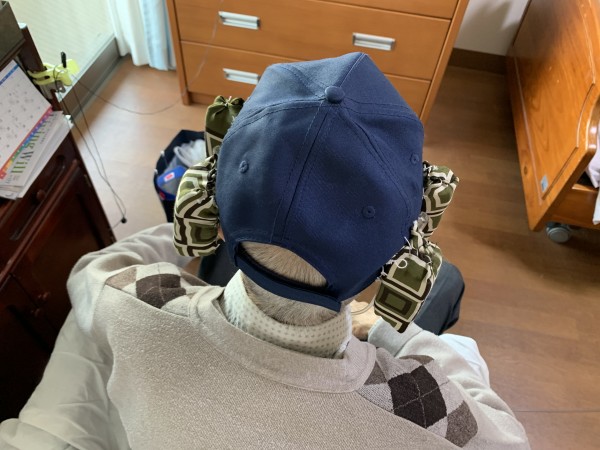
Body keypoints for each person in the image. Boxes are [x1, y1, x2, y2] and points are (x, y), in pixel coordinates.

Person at [0, 53, 529, 449]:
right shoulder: (423, 409)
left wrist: (180, 237)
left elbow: (93, 270)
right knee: (450, 289)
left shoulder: (130, 304)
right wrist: (389, 330)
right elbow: (507, 438)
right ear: (396, 264)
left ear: (211, 199)